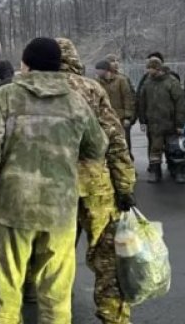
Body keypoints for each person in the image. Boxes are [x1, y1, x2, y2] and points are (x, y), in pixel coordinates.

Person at [0, 37, 107, 324]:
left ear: (26, 63)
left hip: (12, 207)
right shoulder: (75, 101)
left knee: (6, 291)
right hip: (60, 210)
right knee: (56, 295)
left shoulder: (6, 97)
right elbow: (97, 146)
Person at [55, 38, 136, 324]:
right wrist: (124, 185)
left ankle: (55, 313)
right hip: (95, 186)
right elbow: (115, 140)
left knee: (55, 257)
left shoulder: (32, 91)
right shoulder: (91, 88)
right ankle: (113, 315)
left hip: (53, 188)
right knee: (108, 259)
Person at [137, 57, 185, 183]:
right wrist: (142, 121)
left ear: (157, 68)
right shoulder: (147, 83)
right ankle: (155, 172)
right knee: (155, 149)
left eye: (150, 68)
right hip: (154, 124)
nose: (148, 71)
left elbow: (180, 103)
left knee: (175, 149)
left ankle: (178, 172)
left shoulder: (171, 82)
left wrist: (180, 124)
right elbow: (142, 102)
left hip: (171, 123)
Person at [95, 59, 136, 160]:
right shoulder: (97, 82)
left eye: (98, 70)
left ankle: (128, 165)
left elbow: (128, 98)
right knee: (108, 145)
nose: (96, 72)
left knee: (124, 143)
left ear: (105, 70)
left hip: (120, 117)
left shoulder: (121, 80)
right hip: (104, 118)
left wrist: (128, 117)